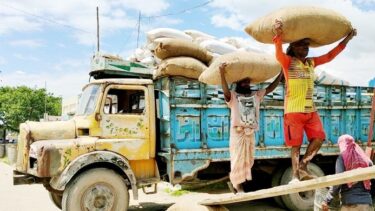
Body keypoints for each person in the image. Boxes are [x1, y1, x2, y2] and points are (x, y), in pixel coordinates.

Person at [273, 19, 357, 183]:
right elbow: (278, 53)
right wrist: (278, 35)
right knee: (295, 145)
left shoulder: (311, 62)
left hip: (311, 110)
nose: (306, 47)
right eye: (302, 45)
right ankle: (295, 177)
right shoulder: (288, 62)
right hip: (293, 110)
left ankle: (303, 166)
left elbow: (329, 56)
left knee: (319, 137)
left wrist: (347, 39)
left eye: (307, 45)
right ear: (293, 47)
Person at [220, 62, 283, 193]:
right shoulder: (233, 97)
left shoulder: (256, 96)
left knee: (247, 159)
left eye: (248, 83)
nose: (246, 84)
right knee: (237, 159)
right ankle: (237, 186)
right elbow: (225, 90)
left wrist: (281, 73)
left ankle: (240, 183)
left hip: (250, 133)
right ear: (238, 84)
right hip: (238, 133)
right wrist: (221, 73)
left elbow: (271, 88)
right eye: (244, 83)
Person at [321, 134, 373, 211]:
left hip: (350, 205)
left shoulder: (342, 158)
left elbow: (338, 181)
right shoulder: (365, 158)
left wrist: (327, 200)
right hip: (366, 204)